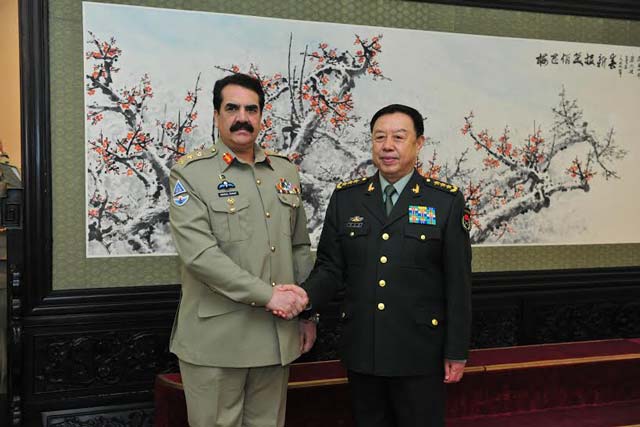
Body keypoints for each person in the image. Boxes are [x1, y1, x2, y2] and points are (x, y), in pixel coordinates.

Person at [298, 104, 472, 427]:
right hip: (364, 351)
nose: (387, 145)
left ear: (418, 143)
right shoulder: (347, 199)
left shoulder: (444, 202)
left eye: (398, 137)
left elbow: (458, 283)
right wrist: (304, 300)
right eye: (379, 137)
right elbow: (330, 269)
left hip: (420, 353)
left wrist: (457, 350)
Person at [169, 73, 315, 427]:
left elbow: (299, 247)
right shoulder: (191, 174)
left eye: (251, 109)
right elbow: (201, 256)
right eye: (231, 108)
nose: (242, 117)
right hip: (217, 343)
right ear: (217, 115)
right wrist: (270, 296)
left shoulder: (285, 171)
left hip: (275, 338)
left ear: (262, 116)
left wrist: (309, 314)